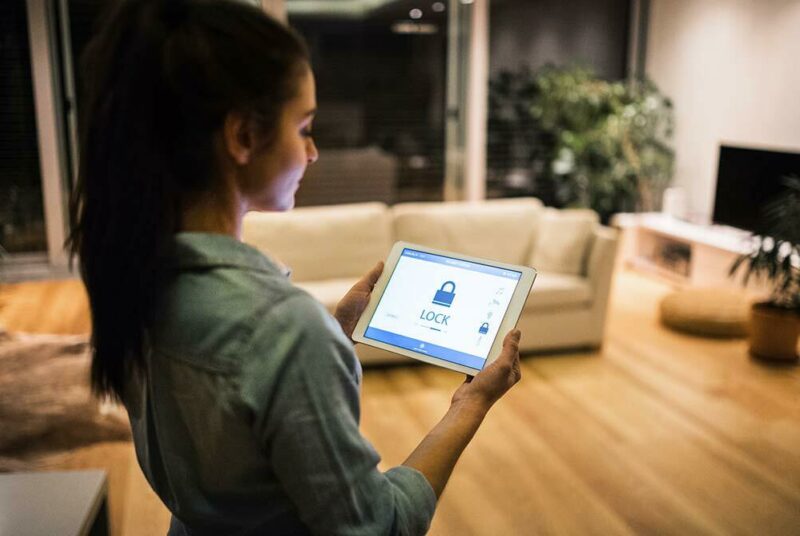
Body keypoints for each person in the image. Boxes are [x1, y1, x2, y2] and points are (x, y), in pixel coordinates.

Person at [67, 1, 522, 534]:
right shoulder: (281, 330)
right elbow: (378, 526)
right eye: (304, 126)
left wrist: (331, 331)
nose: (313, 151)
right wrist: (470, 404)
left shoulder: (135, 278)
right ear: (242, 137)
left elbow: (233, 438)